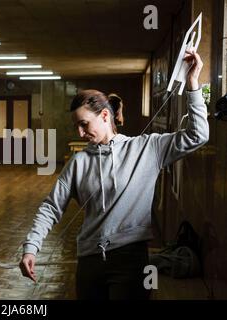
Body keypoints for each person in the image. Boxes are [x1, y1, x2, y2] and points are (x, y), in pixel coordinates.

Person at [19, 49, 208, 300]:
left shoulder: (146, 148)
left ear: (105, 116)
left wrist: (193, 83)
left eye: (84, 124)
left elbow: (197, 136)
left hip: (131, 261)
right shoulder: (78, 162)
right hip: (89, 261)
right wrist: (31, 247)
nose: (79, 132)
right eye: (76, 125)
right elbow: (51, 207)